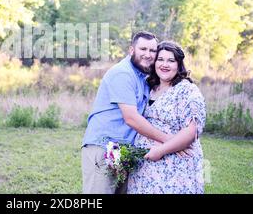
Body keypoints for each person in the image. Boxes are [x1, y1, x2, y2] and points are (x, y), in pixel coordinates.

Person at [81, 31, 176, 194]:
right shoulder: (123, 73)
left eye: (152, 51)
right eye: (143, 49)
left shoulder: (143, 77)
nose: (148, 55)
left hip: (123, 150)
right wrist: (170, 142)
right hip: (104, 146)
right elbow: (131, 118)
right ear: (131, 50)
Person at [127, 41, 207, 194]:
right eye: (160, 59)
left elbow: (191, 132)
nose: (165, 64)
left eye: (171, 61)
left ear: (179, 64)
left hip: (175, 166)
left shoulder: (187, 90)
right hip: (144, 168)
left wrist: (161, 150)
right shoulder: (149, 87)